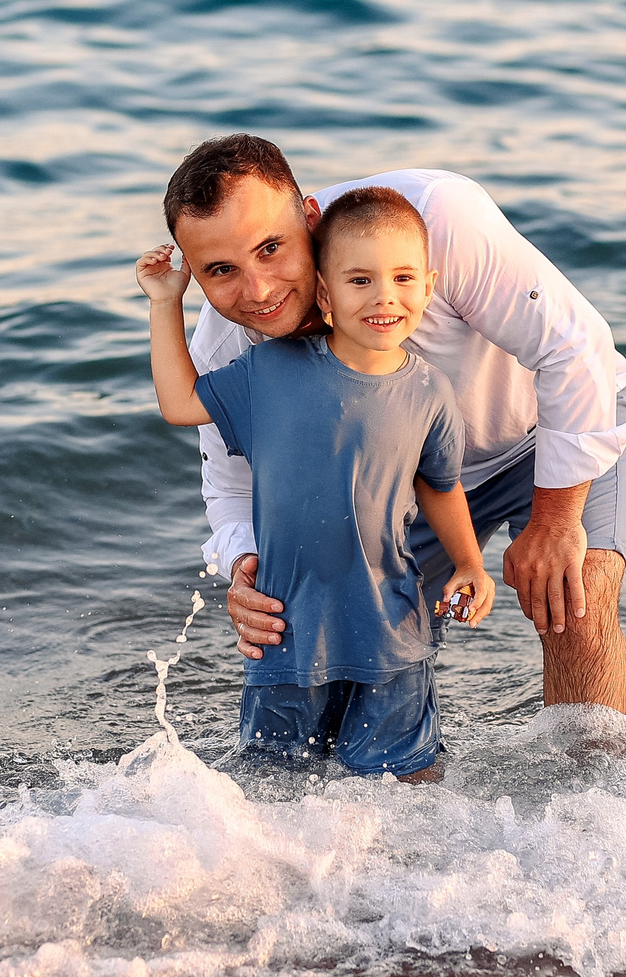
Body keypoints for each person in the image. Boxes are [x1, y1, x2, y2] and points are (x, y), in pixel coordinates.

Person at [161, 134, 626, 716]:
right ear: (193, 274)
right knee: (340, 670)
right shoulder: (225, 343)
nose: (258, 290)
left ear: (309, 217)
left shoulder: (435, 221)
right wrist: (246, 568)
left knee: (574, 601)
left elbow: (574, 350)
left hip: (550, 429)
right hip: (408, 482)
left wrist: (558, 519)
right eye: (221, 270)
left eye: (271, 248)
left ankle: (600, 801)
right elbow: (233, 483)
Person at [136, 187, 496, 779]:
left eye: (403, 279)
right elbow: (178, 403)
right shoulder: (267, 370)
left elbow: (440, 485)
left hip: (392, 628)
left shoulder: (431, 391)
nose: (385, 297)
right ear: (326, 294)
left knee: (405, 782)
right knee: (273, 784)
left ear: (428, 287)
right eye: (360, 281)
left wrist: (468, 564)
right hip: (288, 630)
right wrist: (164, 303)